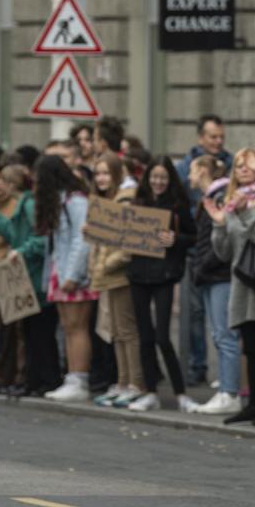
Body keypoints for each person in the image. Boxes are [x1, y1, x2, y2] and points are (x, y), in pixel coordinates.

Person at [206, 148, 255, 424]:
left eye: (247, 165)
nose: (241, 169)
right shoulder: (232, 201)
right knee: (249, 347)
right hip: (240, 281)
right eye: (238, 166)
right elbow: (224, 252)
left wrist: (244, 215)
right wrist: (219, 224)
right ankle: (252, 403)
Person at [0, 163, 54, 397]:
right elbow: (13, 233)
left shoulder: (28, 205)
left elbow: (38, 239)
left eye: (3, 181)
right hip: (21, 274)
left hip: (31, 275)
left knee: (31, 334)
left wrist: (22, 251)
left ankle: (32, 379)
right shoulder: (23, 204)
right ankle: (20, 379)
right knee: (18, 331)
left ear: (11, 185)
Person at [128, 159, 199, 412]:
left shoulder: (178, 207)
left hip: (164, 276)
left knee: (162, 337)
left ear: (170, 181)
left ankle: (181, 393)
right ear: (147, 179)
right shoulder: (137, 204)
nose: (158, 182)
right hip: (138, 275)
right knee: (144, 336)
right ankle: (151, 392)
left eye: (163, 178)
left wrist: (176, 239)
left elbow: (194, 236)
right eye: (154, 177)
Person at [86, 154, 144, 408]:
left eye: (106, 173)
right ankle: (122, 382)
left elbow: (130, 241)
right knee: (116, 332)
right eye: (97, 173)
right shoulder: (105, 200)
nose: (100, 178)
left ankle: (135, 383)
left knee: (127, 331)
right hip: (107, 273)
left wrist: (109, 263)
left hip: (121, 273)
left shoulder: (125, 199)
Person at [37, 155, 96, 402]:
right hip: (61, 270)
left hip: (74, 274)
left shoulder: (75, 201)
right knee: (69, 327)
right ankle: (72, 376)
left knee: (77, 327)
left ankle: (79, 379)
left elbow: (82, 240)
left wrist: (72, 274)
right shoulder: (63, 200)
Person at [188, 157, 241, 415]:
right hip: (210, 274)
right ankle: (225, 389)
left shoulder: (219, 195)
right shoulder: (210, 196)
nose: (189, 176)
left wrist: (202, 265)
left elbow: (220, 240)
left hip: (219, 275)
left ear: (203, 171)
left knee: (225, 335)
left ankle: (230, 391)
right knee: (218, 335)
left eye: (192, 170)